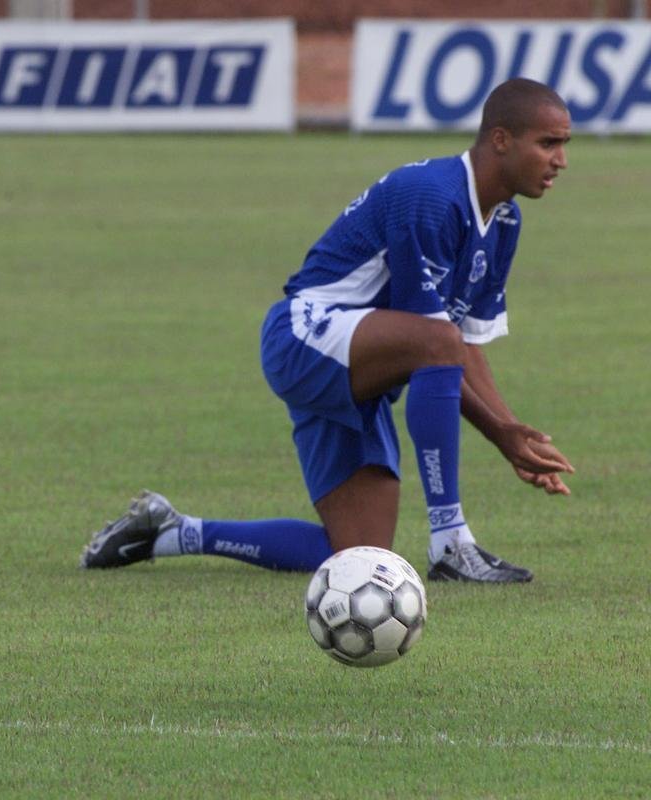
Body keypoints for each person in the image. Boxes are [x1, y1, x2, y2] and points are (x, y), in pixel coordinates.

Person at [80, 78, 574, 583]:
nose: (561, 160)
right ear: (500, 140)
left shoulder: (505, 222)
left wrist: (518, 436)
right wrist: (500, 436)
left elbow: (464, 343)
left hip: (360, 369)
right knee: (436, 341)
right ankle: (451, 543)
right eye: (548, 143)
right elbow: (437, 345)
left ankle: (170, 531)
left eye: (564, 145)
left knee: (358, 556)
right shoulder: (431, 196)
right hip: (304, 337)